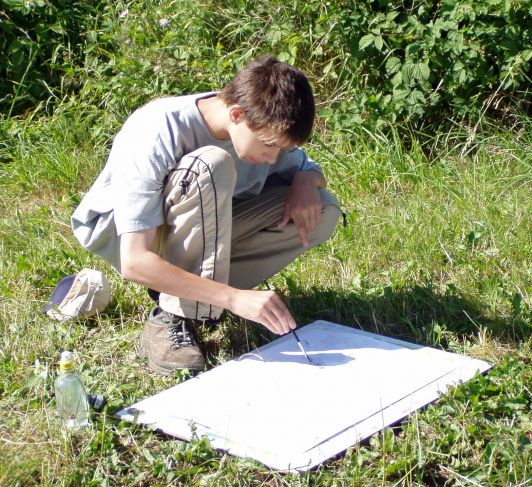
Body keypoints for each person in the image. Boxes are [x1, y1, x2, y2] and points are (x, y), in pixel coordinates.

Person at [71, 55, 341, 374]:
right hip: (126, 235)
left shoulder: (263, 130)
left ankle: (200, 294)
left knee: (323, 208)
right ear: (237, 114)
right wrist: (234, 298)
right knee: (211, 166)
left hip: (202, 222)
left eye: (282, 150)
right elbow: (135, 260)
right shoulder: (158, 129)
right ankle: (173, 315)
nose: (273, 159)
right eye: (269, 146)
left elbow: (305, 165)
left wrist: (306, 179)